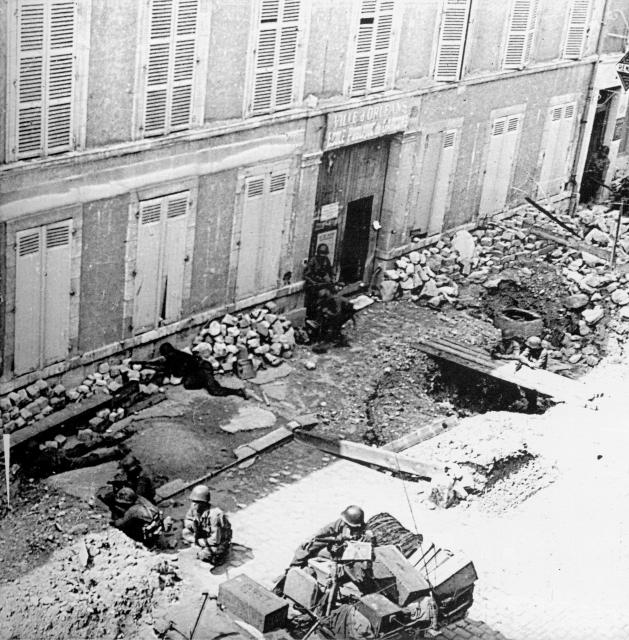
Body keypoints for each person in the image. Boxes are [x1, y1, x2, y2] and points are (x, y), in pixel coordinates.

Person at [133, 342, 248, 399]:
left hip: (204, 368)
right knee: (188, 384)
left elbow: (175, 372)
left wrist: (150, 367)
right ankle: (204, 381)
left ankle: (238, 391)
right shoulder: (174, 356)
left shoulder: (176, 357)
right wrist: (144, 364)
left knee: (214, 390)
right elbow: (162, 365)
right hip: (196, 370)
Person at [289, 505, 375, 569]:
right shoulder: (340, 523)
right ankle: (291, 570)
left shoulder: (364, 532)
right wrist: (311, 538)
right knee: (306, 547)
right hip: (335, 546)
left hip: (345, 556)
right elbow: (324, 531)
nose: (344, 523)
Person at [181, 485, 232, 566]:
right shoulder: (194, 508)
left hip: (220, 539)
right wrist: (192, 525)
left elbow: (217, 539)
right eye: (192, 501)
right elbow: (187, 520)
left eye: (196, 502)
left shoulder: (215, 515)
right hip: (204, 533)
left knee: (205, 555)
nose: (193, 504)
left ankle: (222, 552)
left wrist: (199, 542)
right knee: (185, 532)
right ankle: (200, 545)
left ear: (204, 503)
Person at [517, 336, 549, 411]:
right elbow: (521, 357)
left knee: (532, 390)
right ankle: (528, 402)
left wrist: (528, 363)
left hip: (537, 373)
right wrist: (528, 363)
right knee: (525, 388)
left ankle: (532, 406)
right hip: (528, 371)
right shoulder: (529, 348)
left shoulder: (543, 352)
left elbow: (538, 365)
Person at [303, 244, 335, 319]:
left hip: (323, 284)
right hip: (313, 285)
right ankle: (313, 316)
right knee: (321, 296)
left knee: (330, 294)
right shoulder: (313, 261)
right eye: (321, 254)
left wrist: (331, 278)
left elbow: (330, 271)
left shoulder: (326, 260)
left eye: (324, 254)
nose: (322, 256)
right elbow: (306, 275)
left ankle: (325, 315)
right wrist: (313, 282)